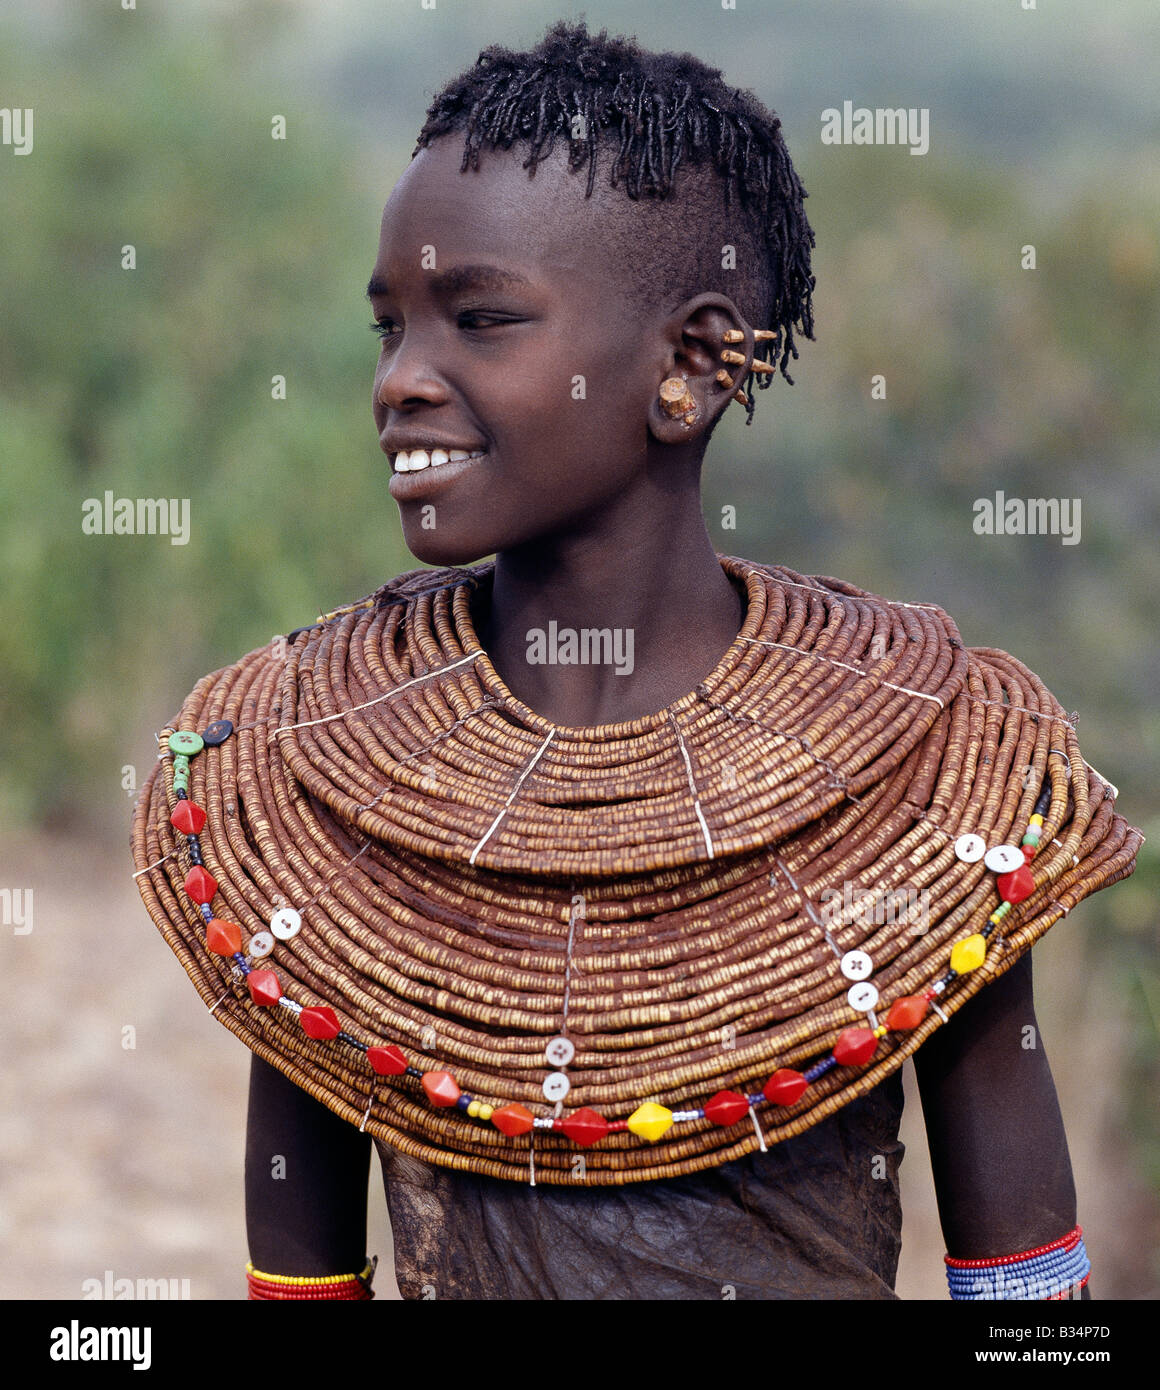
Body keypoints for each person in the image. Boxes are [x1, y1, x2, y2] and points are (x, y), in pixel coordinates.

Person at [132, 20, 1140, 1301]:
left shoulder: (927, 778)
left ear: (690, 365)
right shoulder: (309, 782)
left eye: (479, 319)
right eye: (389, 327)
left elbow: (1024, 1297)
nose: (399, 381)